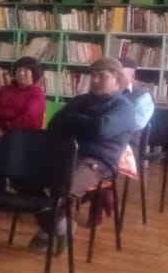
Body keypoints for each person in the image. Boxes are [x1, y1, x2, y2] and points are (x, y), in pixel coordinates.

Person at [26, 57, 136, 254]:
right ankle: (61, 227)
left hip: (97, 162)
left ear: (117, 80)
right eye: (93, 76)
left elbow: (101, 129)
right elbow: (54, 124)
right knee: (22, 177)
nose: (95, 80)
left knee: (62, 189)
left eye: (101, 76)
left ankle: (46, 230)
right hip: (66, 155)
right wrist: (86, 125)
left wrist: (72, 121)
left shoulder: (124, 108)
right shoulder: (80, 101)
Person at [0, 56, 47, 190]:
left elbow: (28, 117)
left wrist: (5, 130)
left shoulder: (37, 93)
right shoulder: (5, 89)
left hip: (21, 134)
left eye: (26, 70)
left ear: (34, 73)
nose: (21, 73)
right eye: (19, 69)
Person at [118, 57, 155, 135]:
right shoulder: (107, 89)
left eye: (121, 75)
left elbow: (137, 123)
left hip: (128, 138)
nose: (116, 78)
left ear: (133, 77)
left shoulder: (142, 95)